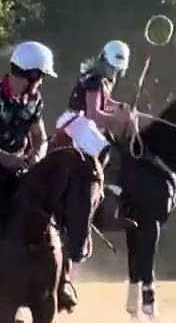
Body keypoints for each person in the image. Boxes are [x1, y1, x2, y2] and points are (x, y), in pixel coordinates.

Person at [0, 41, 82, 313]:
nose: (41, 83)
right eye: (40, 77)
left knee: (54, 209)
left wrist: (36, 158)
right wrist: (8, 159)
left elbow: (39, 136)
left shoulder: (34, 100)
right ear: (29, 75)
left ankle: (61, 280)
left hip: (21, 169)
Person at [55, 40, 135, 232]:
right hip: (75, 122)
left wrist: (121, 107)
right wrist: (118, 121)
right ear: (103, 61)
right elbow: (93, 113)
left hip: (80, 123)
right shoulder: (95, 80)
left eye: (116, 70)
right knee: (108, 153)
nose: (113, 72)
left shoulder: (101, 80)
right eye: (110, 67)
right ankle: (92, 204)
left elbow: (105, 103)